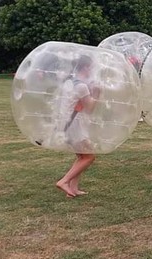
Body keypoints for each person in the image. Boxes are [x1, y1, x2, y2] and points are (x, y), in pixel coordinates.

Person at [55, 55, 100, 198]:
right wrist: (97, 93)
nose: (91, 71)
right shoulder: (81, 86)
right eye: (91, 68)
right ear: (85, 67)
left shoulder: (69, 82)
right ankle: (64, 181)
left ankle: (73, 189)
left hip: (66, 124)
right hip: (75, 125)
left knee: (81, 156)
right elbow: (90, 107)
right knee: (89, 157)